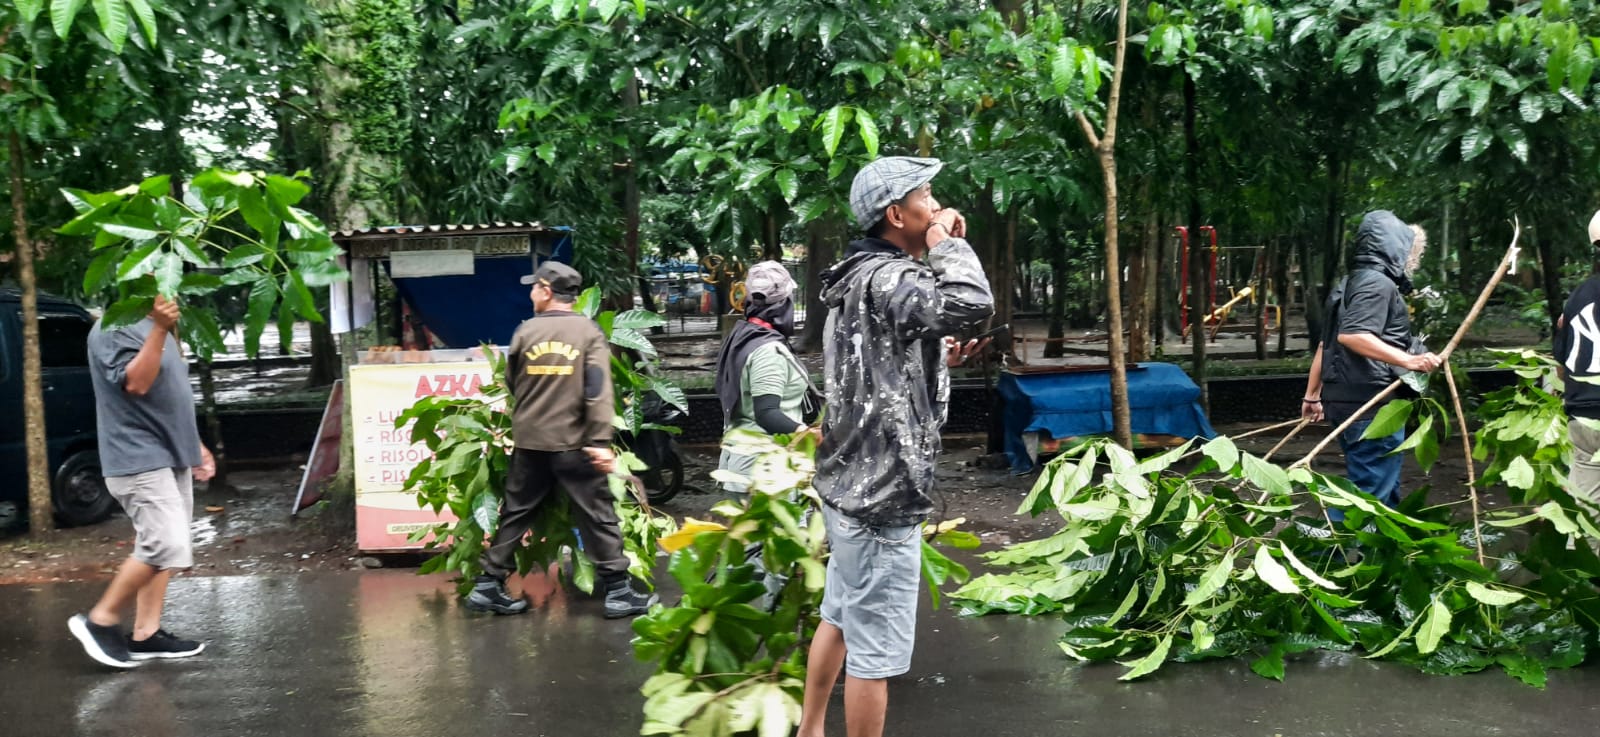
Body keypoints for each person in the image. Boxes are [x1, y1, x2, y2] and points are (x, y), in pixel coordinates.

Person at [797, 156, 994, 737]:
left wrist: (941, 359)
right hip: (883, 493)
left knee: (840, 615)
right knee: (875, 652)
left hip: (849, 482)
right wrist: (942, 242)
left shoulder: (862, 276)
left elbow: (879, 365)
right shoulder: (890, 278)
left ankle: (809, 730)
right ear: (896, 214)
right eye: (926, 197)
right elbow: (972, 303)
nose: (935, 206)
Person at [464, 261, 658, 618]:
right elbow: (598, 390)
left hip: (530, 441)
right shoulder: (588, 334)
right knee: (598, 514)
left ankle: (488, 584)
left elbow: (512, 382)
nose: (530, 293)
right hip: (574, 442)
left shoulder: (525, 332)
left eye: (533, 287)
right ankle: (618, 591)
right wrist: (600, 440)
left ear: (547, 290)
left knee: (516, 512)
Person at [70, 295, 215, 669]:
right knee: (165, 542)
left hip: (170, 455)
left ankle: (146, 634)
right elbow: (136, 383)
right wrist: (162, 330)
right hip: (136, 456)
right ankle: (100, 620)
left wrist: (195, 446)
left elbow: (170, 398)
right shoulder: (112, 327)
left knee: (165, 550)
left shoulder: (158, 327)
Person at [1301, 210, 1441, 522]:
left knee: (1382, 488)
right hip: (1371, 404)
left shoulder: (1349, 283)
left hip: (1346, 399)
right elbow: (1352, 336)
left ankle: (1382, 562)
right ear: (1394, 249)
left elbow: (1327, 344)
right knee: (1368, 494)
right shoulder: (1377, 284)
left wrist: (1313, 395)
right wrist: (1410, 359)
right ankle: (1326, 549)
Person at [714, 260, 818, 497]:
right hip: (763, 474)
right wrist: (808, 433)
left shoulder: (743, 335)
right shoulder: (767, 351)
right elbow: (767, 413)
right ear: (785, 303)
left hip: (753, 467)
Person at [1554, 210, 1600, 521]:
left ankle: (1586, 565)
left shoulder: (1578, 295)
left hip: (1583, 416)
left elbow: (1561, 367)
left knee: (1588, 508)